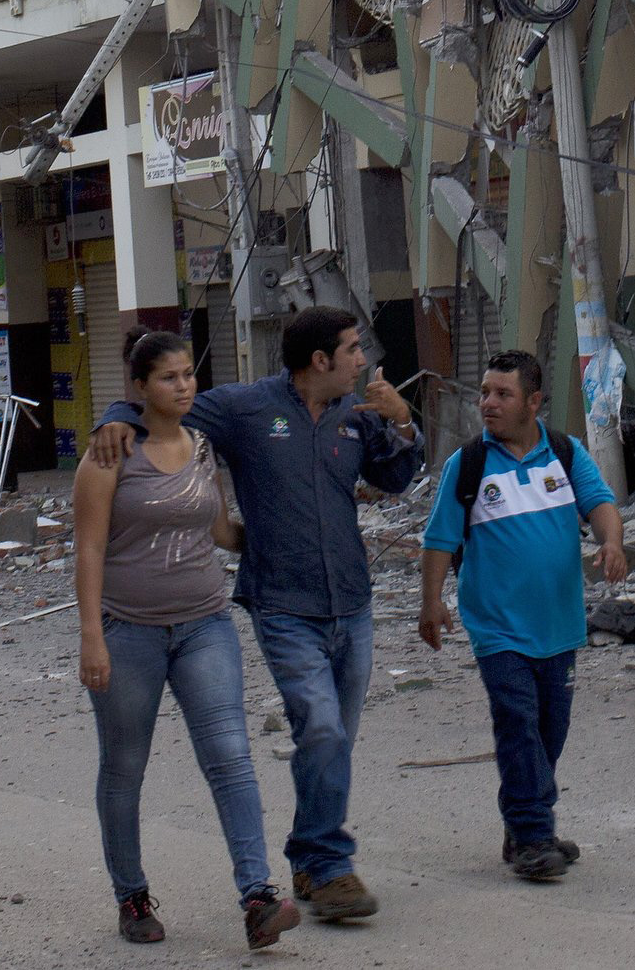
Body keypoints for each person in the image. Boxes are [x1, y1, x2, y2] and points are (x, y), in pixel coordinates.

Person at [90, 308, 421, 925]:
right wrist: (113, 417)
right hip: (281, 602)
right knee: (318, 728)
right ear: (320, 360)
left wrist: (403, 423)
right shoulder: (246, 408)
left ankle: (307, 863)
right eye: (352, 350)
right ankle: (323, 865)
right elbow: (164, 405)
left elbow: (396, 478)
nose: (361, 360)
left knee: (335, 738)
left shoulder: (357, 413)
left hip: (351, 600)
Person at [73, 330, 297, 952]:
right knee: (124, 767)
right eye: (168, 378)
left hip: (205, 625)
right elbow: (88, 548)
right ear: (140, 387)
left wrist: (286, 537)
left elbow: (220, 529)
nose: (183, 387)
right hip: (128, 632)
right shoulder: (107, 456)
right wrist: (93, 637)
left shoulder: (202, 448)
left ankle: (257, 897)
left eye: (188, 375)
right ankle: (132, 896)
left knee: (230, 755)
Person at [417, 350, 625, 880]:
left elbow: (600, 504)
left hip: (559, 627)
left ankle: (524, 823)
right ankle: (533, 833)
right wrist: (432, 601)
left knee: (551, 729)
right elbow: (440, 541)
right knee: (518, 724)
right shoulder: (468, 466)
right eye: (485, 391)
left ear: (533, 401)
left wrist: (612, 542)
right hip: (498, 629)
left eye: (502, 394)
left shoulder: (564, 452)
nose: (488, 403)